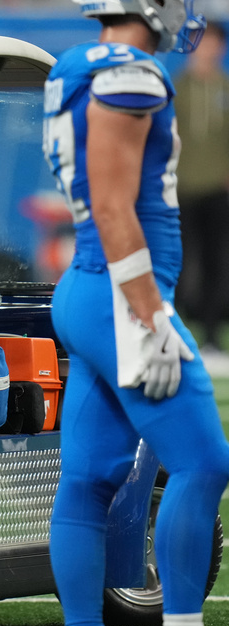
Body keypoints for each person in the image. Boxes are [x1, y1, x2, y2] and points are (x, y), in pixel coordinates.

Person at [42, 2, 229, 626]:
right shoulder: (133, 74)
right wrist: (149, 315)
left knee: (90, 478)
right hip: (120, 294)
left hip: (93, 289)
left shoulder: (75, 67)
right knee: (205, 459)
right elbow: (115, 203)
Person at [174, 22, 229, 368]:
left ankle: (211, 335)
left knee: (217, 263)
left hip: (217, 191)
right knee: (179, 262)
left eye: (214, 43)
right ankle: (175, 332)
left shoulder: (224, 89)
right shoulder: (177, 88)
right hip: (180, 189)